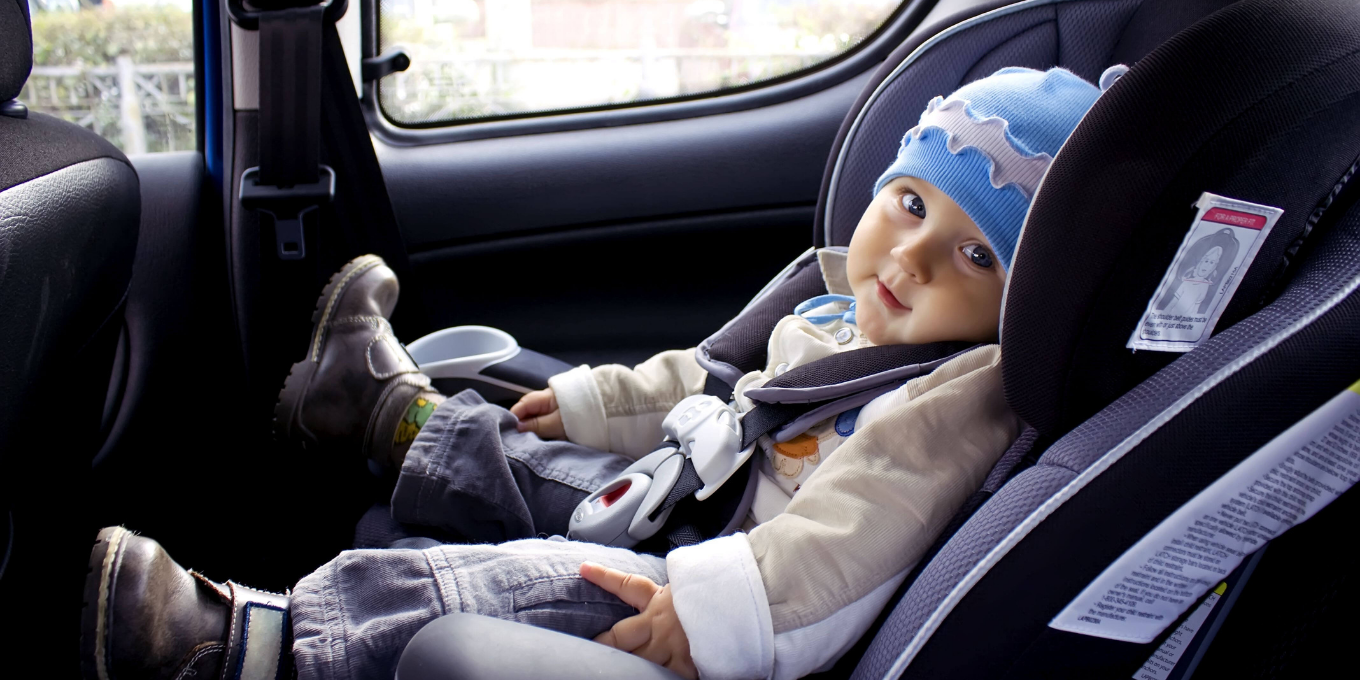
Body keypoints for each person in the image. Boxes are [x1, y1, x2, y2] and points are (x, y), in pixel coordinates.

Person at [80, 66, 1104, 680]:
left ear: (1024, 302)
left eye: (978, 256)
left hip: (736, 589)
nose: (912, 258)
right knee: (532, 452)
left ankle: (241, 642)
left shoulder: (956, 395)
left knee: (523, 583)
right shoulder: (832, 300)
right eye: (912, 204)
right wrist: (588, 404)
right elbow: (704, 384)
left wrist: (713, 617)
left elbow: (857, 534)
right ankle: (379, 409)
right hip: (713, 502)